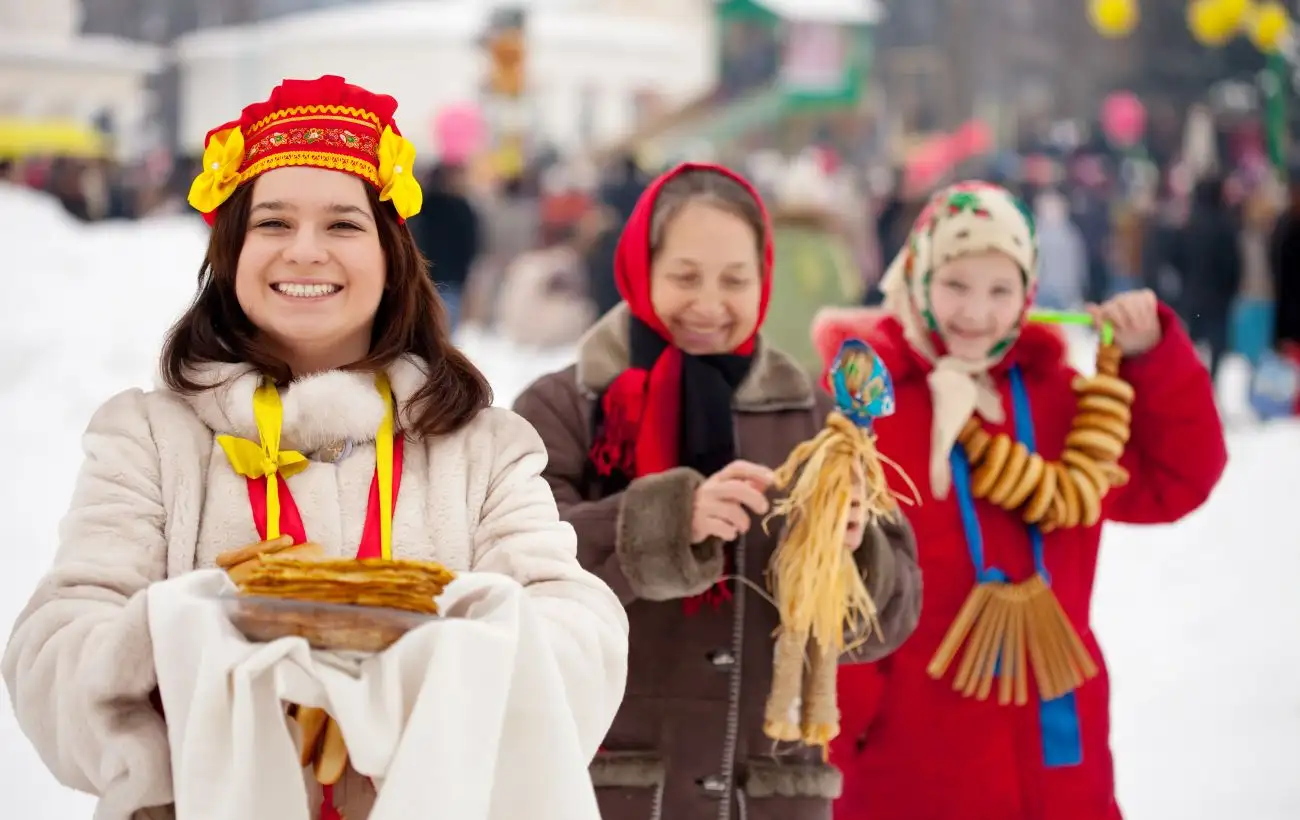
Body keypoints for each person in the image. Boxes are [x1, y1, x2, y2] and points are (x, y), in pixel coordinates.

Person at [2, 75, 628, 820]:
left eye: (342, 225)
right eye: (272, 223)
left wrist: (435, 664)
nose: (305, 252)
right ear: (231, 252)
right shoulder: (146, 438)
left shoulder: (486, 451)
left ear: (392, 255)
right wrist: (193, 644)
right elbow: (52, 652)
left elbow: (581, 637)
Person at [512, 163, 923, 820]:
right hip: (606, 792)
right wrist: (666, 522)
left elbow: (892, 614)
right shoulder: (568, 406)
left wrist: (849, 554)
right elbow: (512, 569)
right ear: (639, 271)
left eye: (735, 280)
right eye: (683, 277)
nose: (709, 304)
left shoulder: (814, 421)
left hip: (763, 797)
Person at [812, 181, 1227, 820]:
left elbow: (1176, 480)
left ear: (1029, 296)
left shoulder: (1063, 400)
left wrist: (1152, 360)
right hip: (912, 758)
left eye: (1000, 290)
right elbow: (838, 594)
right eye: (955, 285)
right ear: (917, 279)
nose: (976, 312)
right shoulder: (868, 407)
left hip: (1053, 748)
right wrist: (834, 746)